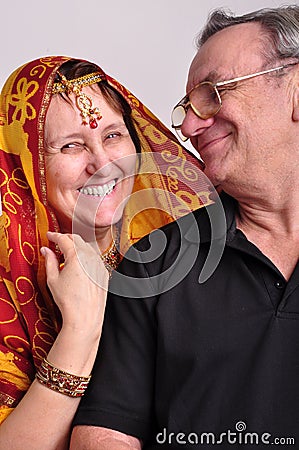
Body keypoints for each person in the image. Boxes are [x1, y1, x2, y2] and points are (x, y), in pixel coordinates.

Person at [71, 4, 299, 449]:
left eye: (213, 93)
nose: (190, 127)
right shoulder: (151, 263)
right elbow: (106, 434)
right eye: (186, 108)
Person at [0, 56, 211, 449]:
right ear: (27, 162)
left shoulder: (178, 243)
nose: (102, 164)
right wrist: (79, 333)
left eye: (113, 136)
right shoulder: (6, 280)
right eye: (71, 145)